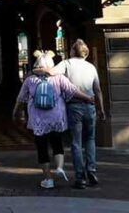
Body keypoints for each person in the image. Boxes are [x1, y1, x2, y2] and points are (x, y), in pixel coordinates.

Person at [13, 50, 93, 190]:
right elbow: (73, 90)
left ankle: (48, 179)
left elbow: (20, 99)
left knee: (42, 148)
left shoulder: (30, 80)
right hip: (56, 117)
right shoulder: (59, 78)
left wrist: (15, 112)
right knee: (57, 144)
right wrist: (88, 98)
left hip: (38, 120)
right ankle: (60, 167)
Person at [43, 39, 105, 189]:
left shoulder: (67, 63)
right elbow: (97, 90)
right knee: (90, 139)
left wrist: (37, 70)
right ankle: (91, 169)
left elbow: (51, 72)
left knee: (76, 142)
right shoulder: (91, 67)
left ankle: (80, 177)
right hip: (90, 107)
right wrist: (101, 108)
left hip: (73, 107)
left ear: (72, 51)